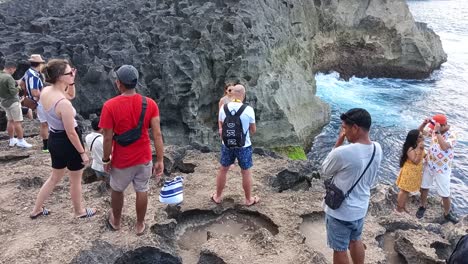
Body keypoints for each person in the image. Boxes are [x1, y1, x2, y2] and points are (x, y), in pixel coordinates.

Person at [100, 65, 164, 236]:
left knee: (117, 189)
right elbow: (157, 134)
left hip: (122, 160)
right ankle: (140, 224)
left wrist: (106, 159)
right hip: (144, 157)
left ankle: (116, 221)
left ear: (119, 83)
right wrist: (160, 160)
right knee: (142, 189)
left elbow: (107, 137)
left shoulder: (109, 106)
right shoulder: (150, 103)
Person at [30, 59, 96, 219]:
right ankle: (79, 212)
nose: (72, 74)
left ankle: (36, 209)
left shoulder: (46, 91)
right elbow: (71, 133)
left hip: (54, 139)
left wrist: (72, 81)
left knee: (55, 177)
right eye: (69, 73)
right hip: (68, 142)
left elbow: (71, 95)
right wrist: (82, 153)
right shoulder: (62, 104)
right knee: (75, 179)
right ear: (60, 77)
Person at [321, 108, 382, 264]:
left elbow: (325, 171)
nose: (344, 131)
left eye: (345, 128)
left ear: (355, 128)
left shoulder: (344, 152)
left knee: (339, 248)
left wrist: (338, 143)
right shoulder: (377, 148)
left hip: (341, 210)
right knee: (355, 240)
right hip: (361, 207)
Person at [211, 84, 259, 206]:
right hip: (244, 146)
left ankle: (217, 196)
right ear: (243, 95)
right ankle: (248, 199)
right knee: (246, 172)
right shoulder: (248, 109)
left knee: (223, 170)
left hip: (227, 144)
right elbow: (253, 130)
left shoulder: (224, 108)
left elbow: (221, 125)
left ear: (232, 94)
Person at [416, 114, 459, 223]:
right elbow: (419, 132)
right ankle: (422, 206)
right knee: (424, 186)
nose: (432, 130)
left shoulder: (452, 134)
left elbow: (444, 146)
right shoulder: (435, 131)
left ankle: (447, 213)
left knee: (445, 192)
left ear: (443, 125)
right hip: (429, 164)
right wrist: (424, 124)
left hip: (442, 168)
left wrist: (438, 132)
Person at [0, 61, 32, 148]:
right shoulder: (8, 77)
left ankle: (11, 140)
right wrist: (18, 87)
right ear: (11, 68)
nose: (14, 72)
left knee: (10, 121)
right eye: (14, 70)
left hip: (4, 102)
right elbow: (13, 92)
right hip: (13, 102)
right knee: (17, 122)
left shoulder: (1, 75)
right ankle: (21, 141)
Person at [21, 54, 49, 153]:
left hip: (33, 101)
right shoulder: (35, 76)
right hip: (39, 102)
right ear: (39, 64)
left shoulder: (28, 72)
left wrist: (26, 93)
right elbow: (35, 92)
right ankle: (46, 147)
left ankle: (46, 145)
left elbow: (22, 83)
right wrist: (47, 93)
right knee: (45, 124)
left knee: (43, 123)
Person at [395, 129, 425, 213]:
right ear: (415, 138)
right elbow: (415, 161)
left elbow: (418, 131)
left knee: (407, 191)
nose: (423, 137)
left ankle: (403, 206)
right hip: (409, 172)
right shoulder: (410, 148)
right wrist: (420, 150)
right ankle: (399, 208)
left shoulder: (417, 144)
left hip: (415, 172)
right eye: (420, 136)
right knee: (404, 190)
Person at [85, 116, 109, 191]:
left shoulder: (87, 137)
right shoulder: (103, 140)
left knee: (102, 183)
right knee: (111, 186)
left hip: (95, 166)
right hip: (106, 167)